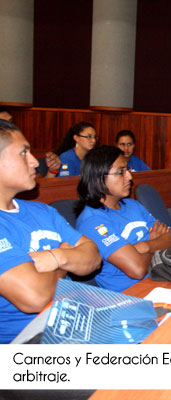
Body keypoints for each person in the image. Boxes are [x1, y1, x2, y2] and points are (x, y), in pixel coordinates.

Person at [0, 120, 101, 343]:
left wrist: (55, 257)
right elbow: (35, 297)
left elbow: (93, 256)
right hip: (28, 342)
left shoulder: (43, 211)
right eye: (23, 153)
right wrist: (65, 266)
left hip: (74, 323)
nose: (35, 162)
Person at [75, 146, 171, 292]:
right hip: (131, 294)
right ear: (98, 179)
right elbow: (137, 269)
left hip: (161, 279)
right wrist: (157, 245)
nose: (129, 176)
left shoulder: (133, 205)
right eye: (121, 172)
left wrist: (144, 246)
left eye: (128, 169)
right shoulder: (93, 221)